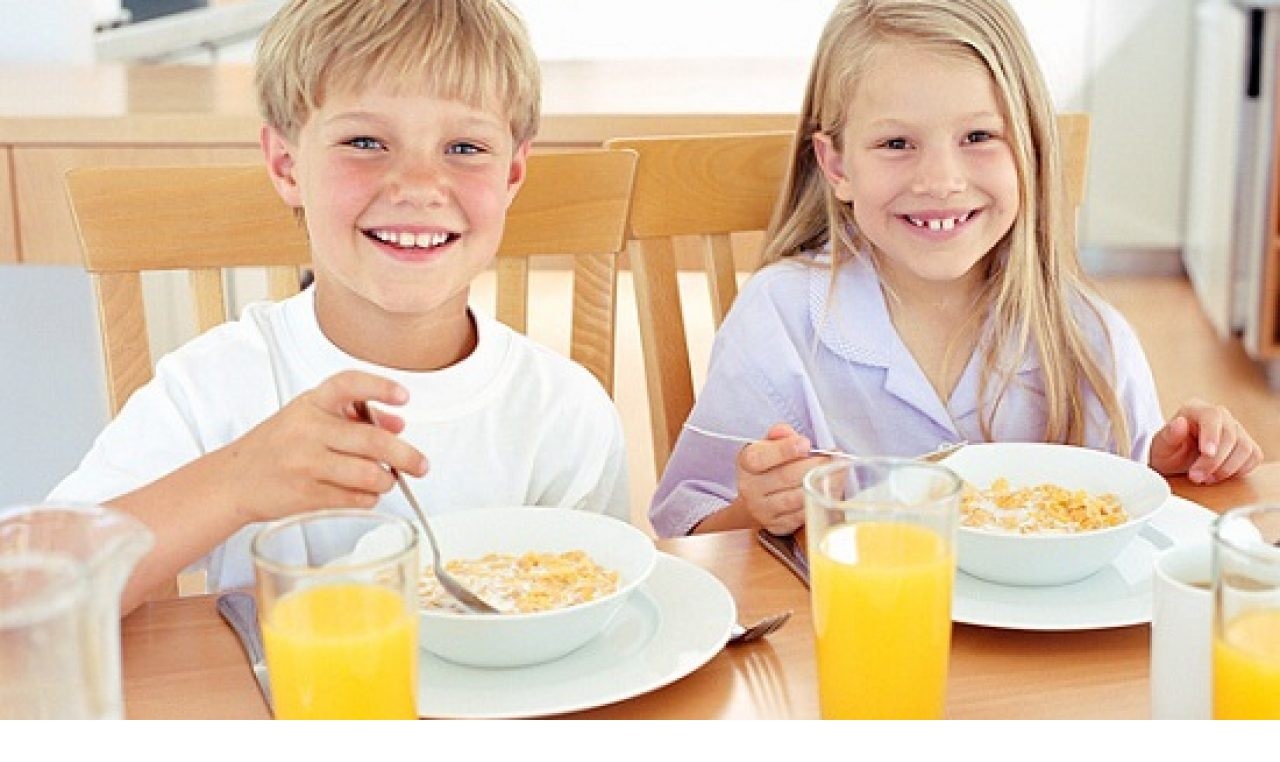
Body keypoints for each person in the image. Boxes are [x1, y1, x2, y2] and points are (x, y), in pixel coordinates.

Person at [49, 0, 629, 612]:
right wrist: (233, 483)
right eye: (364, 141)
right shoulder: (214, 388)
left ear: (513, 172)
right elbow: (27, 589)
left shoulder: (566, 415)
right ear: (286, 164)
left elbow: (600, 628)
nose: (418, 186)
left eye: (463, 148)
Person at [649, 0, 1262, 538]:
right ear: (835, 167)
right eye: (896, 144)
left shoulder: (1087, 334)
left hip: (1044, 659)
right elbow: (687, 524)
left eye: (977, 136)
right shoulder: (779, 317)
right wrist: (760, 507)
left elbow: (1126, 496)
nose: (940, 181)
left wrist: (1176, 459)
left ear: (1030, 149)